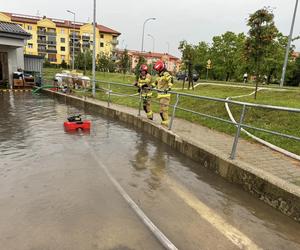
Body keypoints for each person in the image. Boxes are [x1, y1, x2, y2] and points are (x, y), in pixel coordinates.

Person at [153, 60, 173, 127]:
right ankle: (163, 122)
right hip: (160, 95)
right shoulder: (159, 75)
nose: (157, 71)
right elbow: (156, 82)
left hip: (165, 95)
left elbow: (171, 79)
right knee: (161, 111)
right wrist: (151, 86)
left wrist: (169, 87)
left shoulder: (165, 74)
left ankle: (165, 124)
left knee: (164, 110)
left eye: (158, 70)